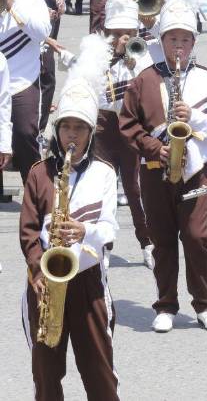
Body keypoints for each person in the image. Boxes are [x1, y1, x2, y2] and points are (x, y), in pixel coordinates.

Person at [118, 0, 207, 333]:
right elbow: (128, 124)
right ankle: (166, 304)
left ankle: (204, 304)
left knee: (197, 238)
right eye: (172, 39)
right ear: (162, 41)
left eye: (185, 39)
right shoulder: (145, 79)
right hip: (155, 169)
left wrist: (193, 117)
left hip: (195, 168)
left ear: (193, 42)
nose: (179, 46)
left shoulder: (206, 78)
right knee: (163, 239)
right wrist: (155, 147)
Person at [19, 34, 119, 401]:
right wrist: (36, 271)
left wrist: (84, 231)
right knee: (45, 377)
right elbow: (29, 231)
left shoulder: (106, 173)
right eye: (65, 127)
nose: (71, 135)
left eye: (79, 128)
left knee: (100, 374)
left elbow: (109, 230)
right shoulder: (39, 172)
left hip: (89, 282)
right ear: (56, 130)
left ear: (91, 133)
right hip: (45, 284)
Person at [97, 0, 155, 269]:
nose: (123, 38)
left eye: (127, 33)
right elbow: (93, 89)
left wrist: (132, 64)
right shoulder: (98, 53)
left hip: (130, 125)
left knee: (135, 189)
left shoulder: (141, 54)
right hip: (104, 126)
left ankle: (147, 243)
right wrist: (111, 57)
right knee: (103, 187)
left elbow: (148, 91)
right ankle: (102, 246)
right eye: (116, 33)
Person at [0, 0, 52, 183]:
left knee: (24, 136)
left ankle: (37, 191)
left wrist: (12, 5)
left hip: (22, 82)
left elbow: (42, 32)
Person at [20, 0, 59, 133]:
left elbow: (54, 4)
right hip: (31, 43)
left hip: (46, 38)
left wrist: (53, 11)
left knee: (49, 81)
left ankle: (40, 128)